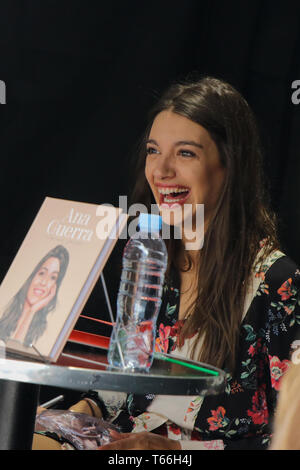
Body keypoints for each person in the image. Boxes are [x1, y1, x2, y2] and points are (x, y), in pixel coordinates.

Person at [35, 76, 300, 450]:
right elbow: (126, 384)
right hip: (122, 444)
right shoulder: (152, 259)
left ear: (230, 165)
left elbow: (292, 434)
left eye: (185, 153)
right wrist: (82, 412)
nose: (161, 171)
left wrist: (173, 451)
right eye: (154, 150)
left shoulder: (278, 283)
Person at [0, 244, 69, 347]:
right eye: (41, 273)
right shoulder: (6, 313)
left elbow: (14, 349)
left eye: (53, 278)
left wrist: (32, 311)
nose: (44, 282)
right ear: (30, 275)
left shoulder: (43, 332)